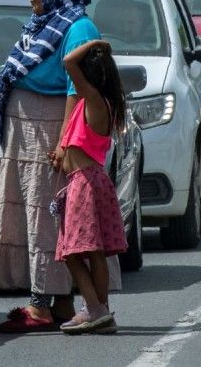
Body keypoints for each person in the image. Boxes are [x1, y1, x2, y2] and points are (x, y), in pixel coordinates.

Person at [0, 0, 105, 333]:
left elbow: (78, 89)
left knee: (47, 215)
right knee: (34, 215)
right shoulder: (45, 23)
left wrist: (63, 141)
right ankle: (61, 302)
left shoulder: (78, 26)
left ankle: (43, 305)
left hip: (51, 129)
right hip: (27, 130)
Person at [51, 39, 128, 335]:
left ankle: (94, 308)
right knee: (93, 250)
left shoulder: (94, 99)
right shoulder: (96, 102)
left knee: (74, 251)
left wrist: (95, 43)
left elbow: (68, 61)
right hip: (85, 180)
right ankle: (100, 310)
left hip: (85, 183)